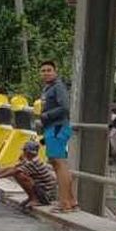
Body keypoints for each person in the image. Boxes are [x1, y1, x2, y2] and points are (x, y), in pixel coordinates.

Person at [39, 60, 78, 213]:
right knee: (57, 164)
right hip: (51, 128)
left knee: (60, 164)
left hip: (57, 127)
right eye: (43, 70)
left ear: (55, 71)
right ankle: (71, 201)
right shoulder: (47, 88)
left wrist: (46, 115)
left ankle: (64, 203)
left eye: (49, 70)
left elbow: (65, 107)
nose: (46, 73)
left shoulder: (58, 87)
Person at [0, 140, 58, 212]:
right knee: (17, 173)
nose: (23, 152)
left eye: (24, 151)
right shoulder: (29, 160)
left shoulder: (33, 162)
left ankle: (35, 199)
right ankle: (32, 197)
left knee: (19, 175)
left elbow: (15, 171)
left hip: (47, 195)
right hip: (42, 190)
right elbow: (11, 168)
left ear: (28, 152)